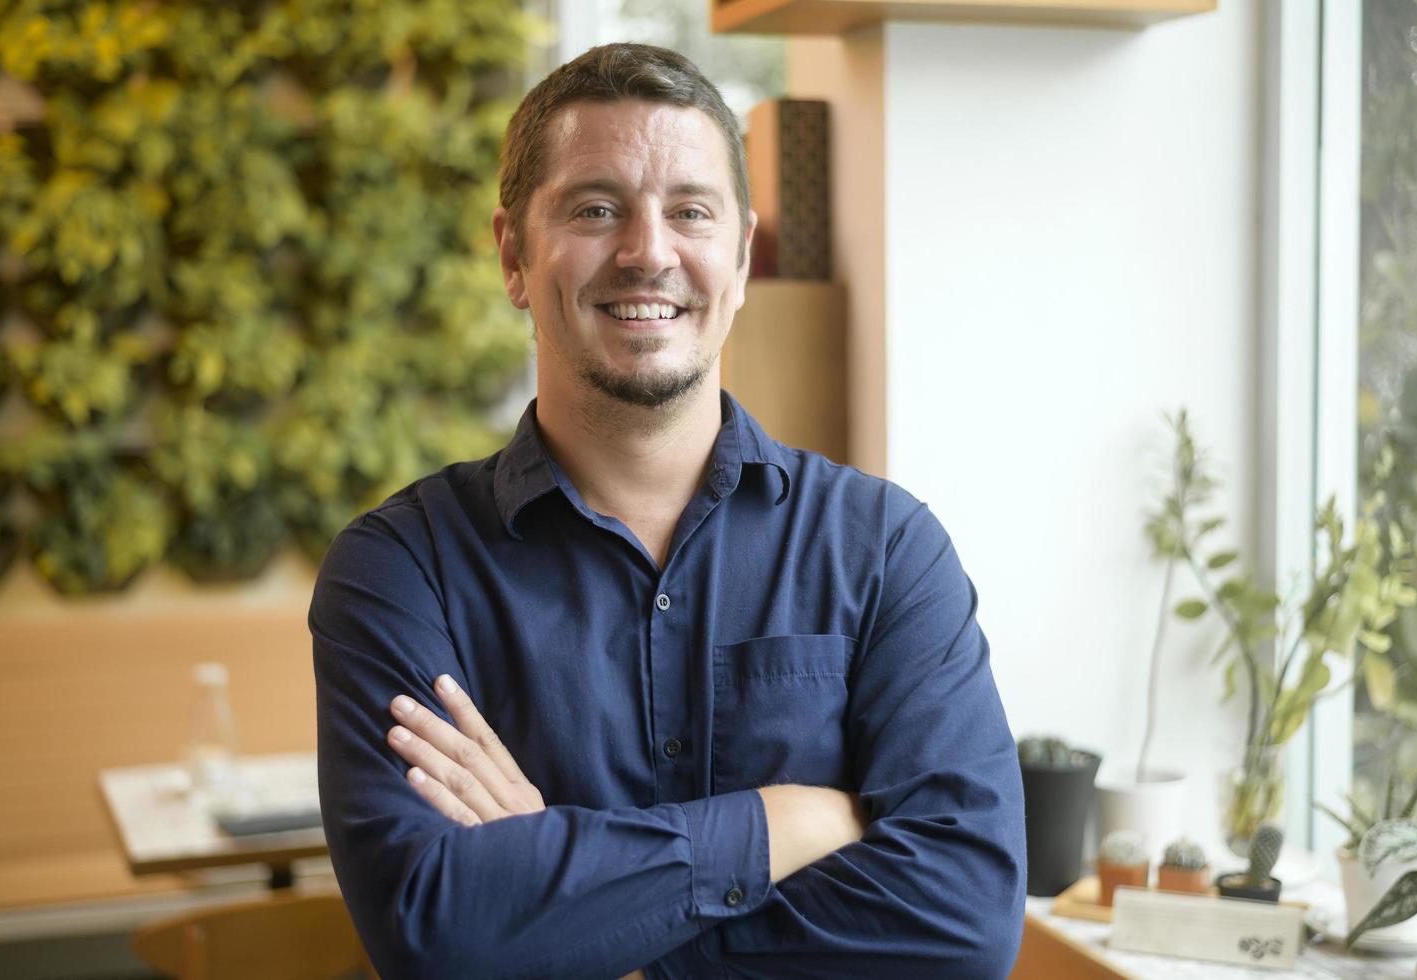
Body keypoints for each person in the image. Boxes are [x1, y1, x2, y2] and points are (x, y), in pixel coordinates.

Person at [310, 41, 1026, 980]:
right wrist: (791, 820)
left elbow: (964, 922)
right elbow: (435, 927)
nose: (648, 251)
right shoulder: (403, 570)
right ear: (513, 257)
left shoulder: (887, 551)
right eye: (596, 209)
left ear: (736, 260)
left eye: (689, 211)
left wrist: (589, 924)